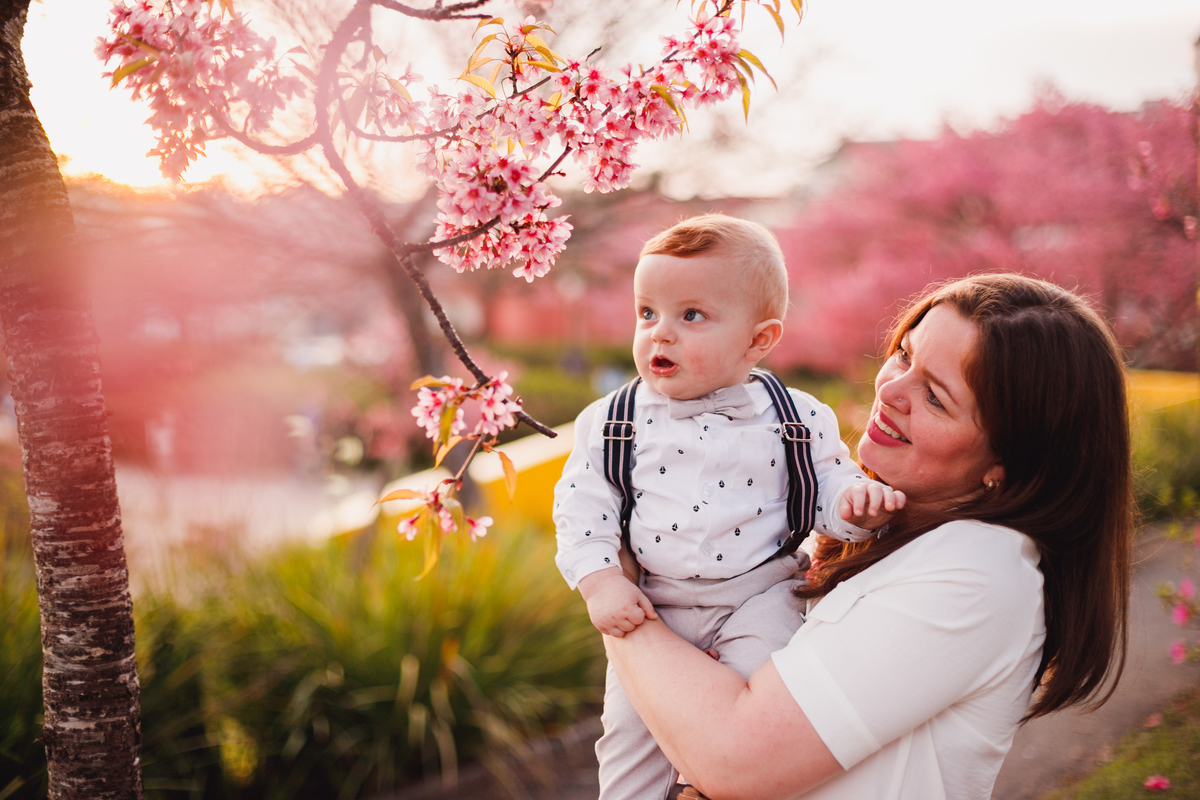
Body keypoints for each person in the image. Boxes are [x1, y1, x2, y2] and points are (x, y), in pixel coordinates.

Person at [604, 273, 1133, 799]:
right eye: (904, 354)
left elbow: (735, 758)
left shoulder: (979, 570)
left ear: (1007, 459)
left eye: (936, 398)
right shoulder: (876, 527)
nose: (891, 390)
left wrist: (617, 592)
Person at [552, 214, 904, 799]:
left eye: (691, 316)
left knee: (755, 692)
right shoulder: (612, 421)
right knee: (627, 736)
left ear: (759, 339)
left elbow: (826, 489)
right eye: (647, 313)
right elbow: (581, 508)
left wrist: (857, 508)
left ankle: (703, 786)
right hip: (654, 602)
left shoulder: (798, 417)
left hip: (759, 594)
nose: (660, 334)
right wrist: (599, 583)